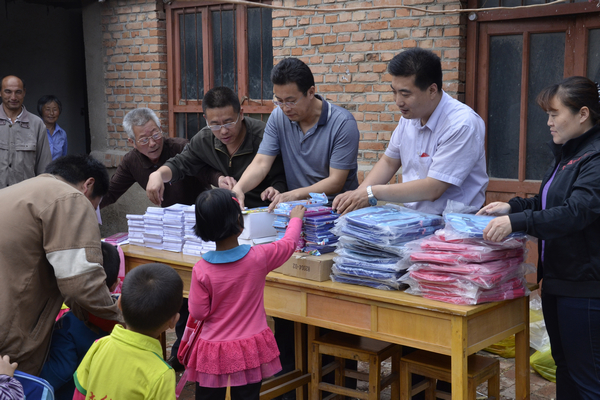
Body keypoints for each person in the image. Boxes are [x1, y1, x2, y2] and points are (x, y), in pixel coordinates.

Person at [478, 76, 600, 400]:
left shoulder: (595, 158)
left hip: (586, 288)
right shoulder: (567, 154)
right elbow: (549, 203)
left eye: (555, 113)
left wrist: (516, 222)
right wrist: (513, 207)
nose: (548, 122)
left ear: (583, 114)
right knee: (566, 370)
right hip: (558, 281)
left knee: (589, 379)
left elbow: (575, 212)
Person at [0, 154, 122, 375]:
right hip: (9, 342)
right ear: (88, 185)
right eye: (95, 207)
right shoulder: (71, 198)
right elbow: (81, 284)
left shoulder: (15, 191)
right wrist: (121, 323)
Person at [333, 48, 488, 215]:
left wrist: (372, 193)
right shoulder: (410, 117)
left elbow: (433, 188)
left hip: (454, 223)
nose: (398, 101)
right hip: (413, 218)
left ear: (432, 90)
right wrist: (359, 194)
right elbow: (389, 162)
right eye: (394, 92)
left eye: (405, 94)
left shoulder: (461, 125)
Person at [186, 188, 305, 400]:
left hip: (213, 348)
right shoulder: (259, 257)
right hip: (250, 346)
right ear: (240, 224)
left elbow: (199, 312)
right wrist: (296, 219)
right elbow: (288, 245)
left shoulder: (201, 270)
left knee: (208, 396)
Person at [231, 57, 360, 210]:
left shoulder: (342, 123)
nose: (285, 108)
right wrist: (239, 189)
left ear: (311, 92)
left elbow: (336, 181)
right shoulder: (278, 117)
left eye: (291, 101)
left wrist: (295, 195)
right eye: (279, 101)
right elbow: (261, 163)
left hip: (337, 209)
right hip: (296, 210)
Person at [146, 86, 287, 209]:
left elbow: (282, 175)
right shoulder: (204, 139)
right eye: (215, 125)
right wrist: (158, 175)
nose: (223, 131)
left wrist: (276, 189)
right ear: (206, 119)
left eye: (229, 123)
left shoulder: (264, 136)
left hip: (264, 212)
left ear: (241, 114)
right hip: (229, 215)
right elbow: (180, 164)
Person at [73, 263, 183, 400]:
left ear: (119, 303)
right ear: (173, 321)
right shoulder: (162, 375)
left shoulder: (99, 345)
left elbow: (79, 394)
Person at [40, 242, 121, 400]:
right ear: (115, 285)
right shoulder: (128, 321)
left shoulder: (69, 325)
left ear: (75, 282)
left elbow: (56, 375)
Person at [100, 107, 213, 209]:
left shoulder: (180, 147)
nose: (152, 143)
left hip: (201, 212)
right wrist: (90, 205)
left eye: (155, 135)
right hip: (168, 218)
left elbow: (208, 173)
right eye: (144, 140)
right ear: (132, 142)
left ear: (160, 129)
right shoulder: (131, 161)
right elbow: (110, 193)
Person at [0, 75, 52, 188]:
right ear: (0, 93)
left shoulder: (37, 124)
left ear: (24, 92)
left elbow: (45, 169)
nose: (13, 97)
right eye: (8, 92)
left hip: (24, 196)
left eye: (18, 92)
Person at [38, 95, 68, 160]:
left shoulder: (62, 134)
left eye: (55, 110)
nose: (51, 113)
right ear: (41, 110)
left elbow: (63, 158)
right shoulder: (35, 130)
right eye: (48, 109)